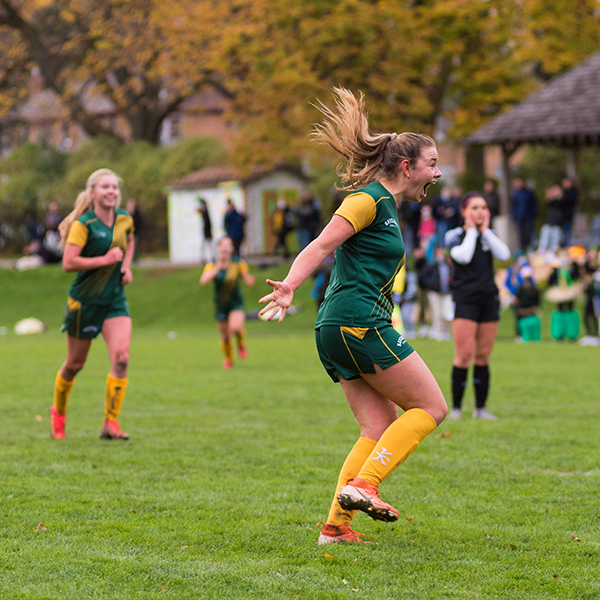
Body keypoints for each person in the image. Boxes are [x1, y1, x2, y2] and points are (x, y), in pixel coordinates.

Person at [258, 87, 447, 546]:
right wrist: (290, 285)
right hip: (358, 322)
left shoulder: (388, 208)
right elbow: (320, 245)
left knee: (376, 427)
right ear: (407, 167)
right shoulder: (368, 201)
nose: (438, 174)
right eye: (433, 164)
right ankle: (365, 485)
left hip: (339, 325)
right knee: (431, 407)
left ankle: (335, 528)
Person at [49, 168, 135, 441]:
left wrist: (126, 267)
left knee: (122, 359)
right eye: (105, 187)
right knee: (75, 364)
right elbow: (68, 263)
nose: (111, 191)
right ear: (93, 193)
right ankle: (58, 413)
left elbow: (129, 242)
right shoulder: (83, 224)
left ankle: (110, 423)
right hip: (84, 302)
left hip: (114, 301)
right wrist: (106, 259)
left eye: (115, 187)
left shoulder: (125, 219)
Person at [445, 192, 511, 420]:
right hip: (465, 299)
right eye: (474, 207)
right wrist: (472, 231)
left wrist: (485, 231)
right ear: (464, 211)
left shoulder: (489, 235)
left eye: (483, 207)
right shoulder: (455, 235)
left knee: (482, 356)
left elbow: (505, 255)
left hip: (488, 299)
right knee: (463, 355)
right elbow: (462, 257)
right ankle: (456, 408)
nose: (480, 211)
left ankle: (481, 409)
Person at [200, 236, 255, 368]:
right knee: (225, 336)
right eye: (222, 245)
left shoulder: (238, 263)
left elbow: (247, 277)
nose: (225, 248)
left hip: (236, 302)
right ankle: (229, 359)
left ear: (231, 248)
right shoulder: (212, 264)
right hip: (220, 304)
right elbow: (203, 281)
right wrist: (217, 268)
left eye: (228, 245)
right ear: (218, 248)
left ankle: (241, 343)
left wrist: (248, 280)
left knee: (235, 327)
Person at [510, 177, 537, 251]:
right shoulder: (514, 194)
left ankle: (530, 248)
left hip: (528, 217)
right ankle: (522, 249)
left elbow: (533, 204)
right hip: (519, 217)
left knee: (529, 232)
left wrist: (532, 214)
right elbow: (513, 206)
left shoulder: (528, 193)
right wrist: (514, 215)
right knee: (520, 234)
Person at [537, 185, 564, 256]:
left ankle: (553, 251)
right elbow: (549, 202)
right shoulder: (551, 202)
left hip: (558, 222)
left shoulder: (562, 200)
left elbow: (561, 203)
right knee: (545, 232)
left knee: (555, 236)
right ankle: (542, 249)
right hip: (550, 221)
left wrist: (557, 195)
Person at [560, 177, 578, 247]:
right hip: (560, 217)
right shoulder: (563, 191)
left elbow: (570, 201)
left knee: (567, 231)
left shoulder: (573, 192)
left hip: (568, 215)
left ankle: (566, 246)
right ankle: (561, 246)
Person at [126, 198, 144, 263]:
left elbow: (138, 222)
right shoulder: (125, 213)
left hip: (135, 232)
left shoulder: (136, 213)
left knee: (135, 246)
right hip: (126, 233)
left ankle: (135, 259)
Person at [197, 198, 214, 262]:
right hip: (206, 230)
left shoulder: (206, 211)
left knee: (208, 244)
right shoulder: (204, 211)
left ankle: (210, 256)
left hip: (207, 229)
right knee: (206, 244)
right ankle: (204, 256)